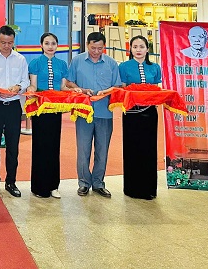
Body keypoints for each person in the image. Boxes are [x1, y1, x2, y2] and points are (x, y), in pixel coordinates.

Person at [67, 32, 122, 198]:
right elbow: (69, 82)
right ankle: (84, 183)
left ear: (104, 46)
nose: (96, 51)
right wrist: (81, 89)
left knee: (102, 151)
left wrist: (106, 91)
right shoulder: (77, 61)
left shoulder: (111, 63)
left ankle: (98, 183)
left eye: (100, 48)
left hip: (105, 112)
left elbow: (117, 86)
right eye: (93, 48)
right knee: (83, 150)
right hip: (84, 112)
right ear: (87, 45)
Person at [0, 25, 30, 198]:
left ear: (13, 41)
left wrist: (18, 87)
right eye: (3, 42)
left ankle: (11, 181)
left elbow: (25, 81)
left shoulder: (20, 59)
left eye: (10, 43)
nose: (7, 46)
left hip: (13, 106)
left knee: (12, 146)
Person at [118, 35, 163, 200]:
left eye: (141, 47)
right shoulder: (124, 67)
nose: (138, 50)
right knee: (132, 149)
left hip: (150, 112)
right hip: (131, 113)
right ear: (130, 49)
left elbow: (157, 90)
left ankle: (149, 189)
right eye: (135, 47)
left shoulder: (155, 67)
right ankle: (132, 188)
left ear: (147, 49)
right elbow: (123, 90)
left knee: (149, 149)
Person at [28, 32, 70, 199]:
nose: (50, 46)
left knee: (54, 146)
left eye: (53, 43)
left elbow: (63, 87)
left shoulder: (62, 64)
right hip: (41, 109)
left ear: (57, 45)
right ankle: (39, 187)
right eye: (47, 43)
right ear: (41, 45)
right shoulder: (35, 63)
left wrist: (75, 90)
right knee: (40, 146)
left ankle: (54, 186)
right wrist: (30, 90)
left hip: (56, 109)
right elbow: (33, 85)